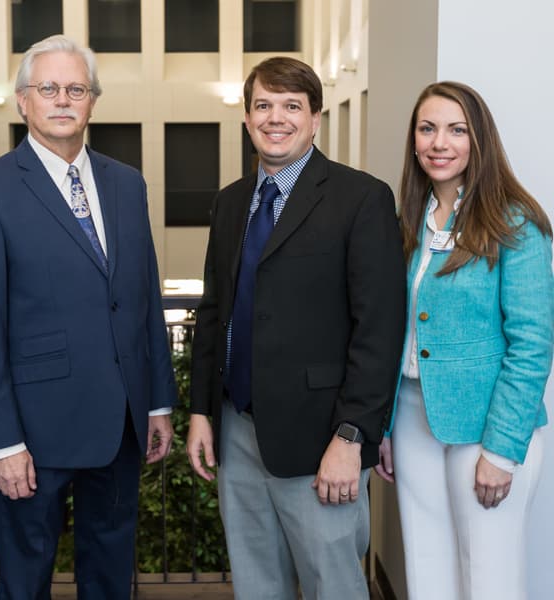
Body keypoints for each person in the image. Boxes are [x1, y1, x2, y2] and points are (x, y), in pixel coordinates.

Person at [0, 34, 177, 600]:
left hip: (121, 425)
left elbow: (143, 297)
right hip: (34, 432)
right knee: (25, 581)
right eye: (47, 88)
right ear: (23, 100)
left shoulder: (127, 184)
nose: (62, 99)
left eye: (75, 88)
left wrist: (156, 401)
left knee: (109, 577)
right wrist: (1, 441)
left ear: (92, 101)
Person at [186, 56, 405, 599]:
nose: (275, 118)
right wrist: (199, 410)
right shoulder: (231, 202)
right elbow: (214, 312)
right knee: (257, 584)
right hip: (237, 428)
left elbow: (379, 330)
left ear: (315, 119)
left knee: (334, 584)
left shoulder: (362, 199)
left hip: (321, 437)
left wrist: (352, 437)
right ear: (246, 117)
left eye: (291, 106)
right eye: (263, 105)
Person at [375, 81, 554, 600]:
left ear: (480, 140)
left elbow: (532, 345)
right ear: (413, 140)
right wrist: (383, 427)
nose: (439, 142)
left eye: (457, 130)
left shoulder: (515, 222)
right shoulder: (408, 223)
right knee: (427, 571)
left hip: (486, 426)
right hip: (412, 421)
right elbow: (395, 332)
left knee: (490, 580)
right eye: (427, 129)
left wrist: (501, 450)